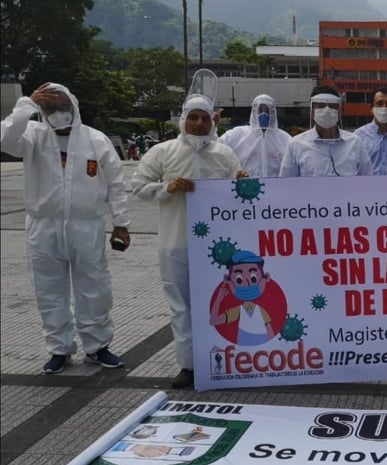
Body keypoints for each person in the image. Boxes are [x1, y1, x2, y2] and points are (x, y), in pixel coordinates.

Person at [1, 82, 130, 374]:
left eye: (62, 105)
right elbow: (5, 139)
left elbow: (115, 184)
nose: (58, 112)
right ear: (41, 110)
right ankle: (59, 349)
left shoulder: (95, 140)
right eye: (50, 107)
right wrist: (27, 104)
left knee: (95, 286)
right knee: (49, 290)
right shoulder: (32, 136)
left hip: (87, 226)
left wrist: (121, 223)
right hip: (43, 226)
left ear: (73, 105)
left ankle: (97, 346)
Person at [132, 88, 245, 389]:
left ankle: (225, 361)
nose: (198, 123)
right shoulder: (163, 151)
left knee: (222, 304)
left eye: (204, 118)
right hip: (176, 242)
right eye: (193, 117)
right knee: (181, 306)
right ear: (183, 120)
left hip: (217, 248)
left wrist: (243, 184)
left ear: (212, 122)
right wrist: (166, 187)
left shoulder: (224, 154)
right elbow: (138, 186)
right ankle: (189, 365)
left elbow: (239, 194)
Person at [279, 85, 372, 177]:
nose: (327, 110)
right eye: (321, 106)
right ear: (312, 112)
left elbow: (367, 179)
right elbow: (286, 182)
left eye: (332, 106)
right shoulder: (296, 145)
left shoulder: (355, 143)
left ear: (339, 111)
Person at [219, 94, 292, 178]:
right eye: (260, 110)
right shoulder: (237, 135)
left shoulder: (284, 139)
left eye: (267, 110)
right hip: (246, 185)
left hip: (275, 185)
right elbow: (216, 148)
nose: (263, 114)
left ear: (273, 112)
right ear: (254, 111)